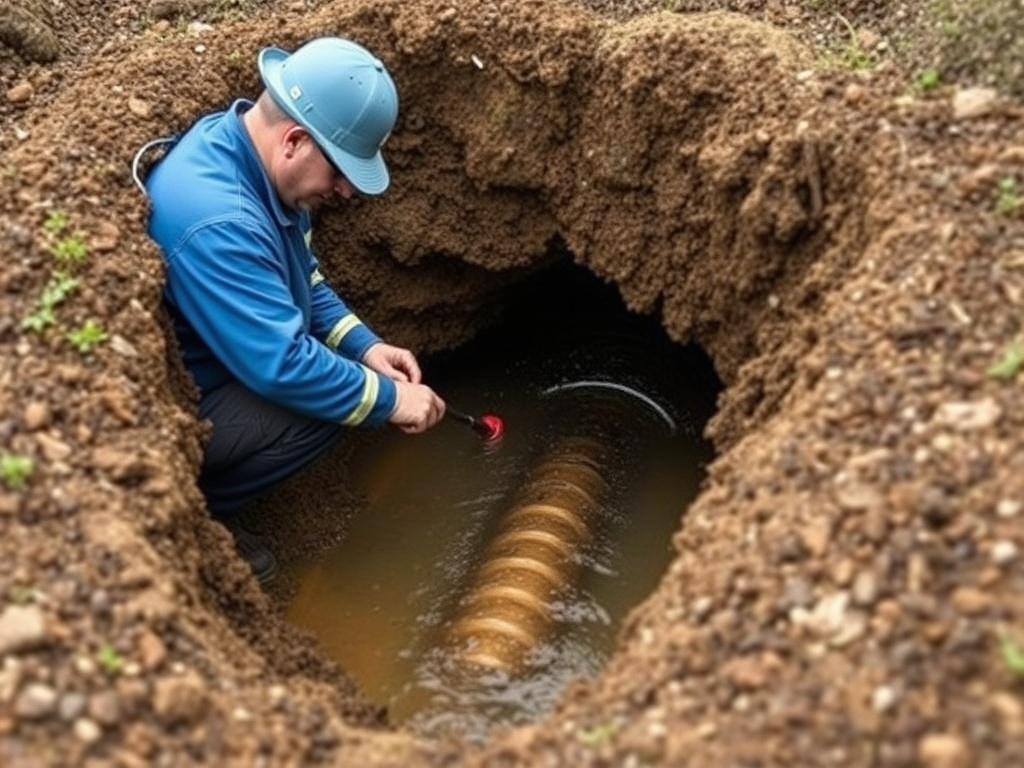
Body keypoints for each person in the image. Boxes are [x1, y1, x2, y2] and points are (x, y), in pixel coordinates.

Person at [141, 37, 446, 582]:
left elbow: (304, 277)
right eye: (340, 172)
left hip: (236, 356)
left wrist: (365, 346)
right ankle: (200, 519)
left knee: (352, 384)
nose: (346, 191)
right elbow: (281, 365)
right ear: (296, 140)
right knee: (335, 404)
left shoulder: (260, 166)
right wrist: (393, 400)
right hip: (190, 406)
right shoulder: (223, 223)